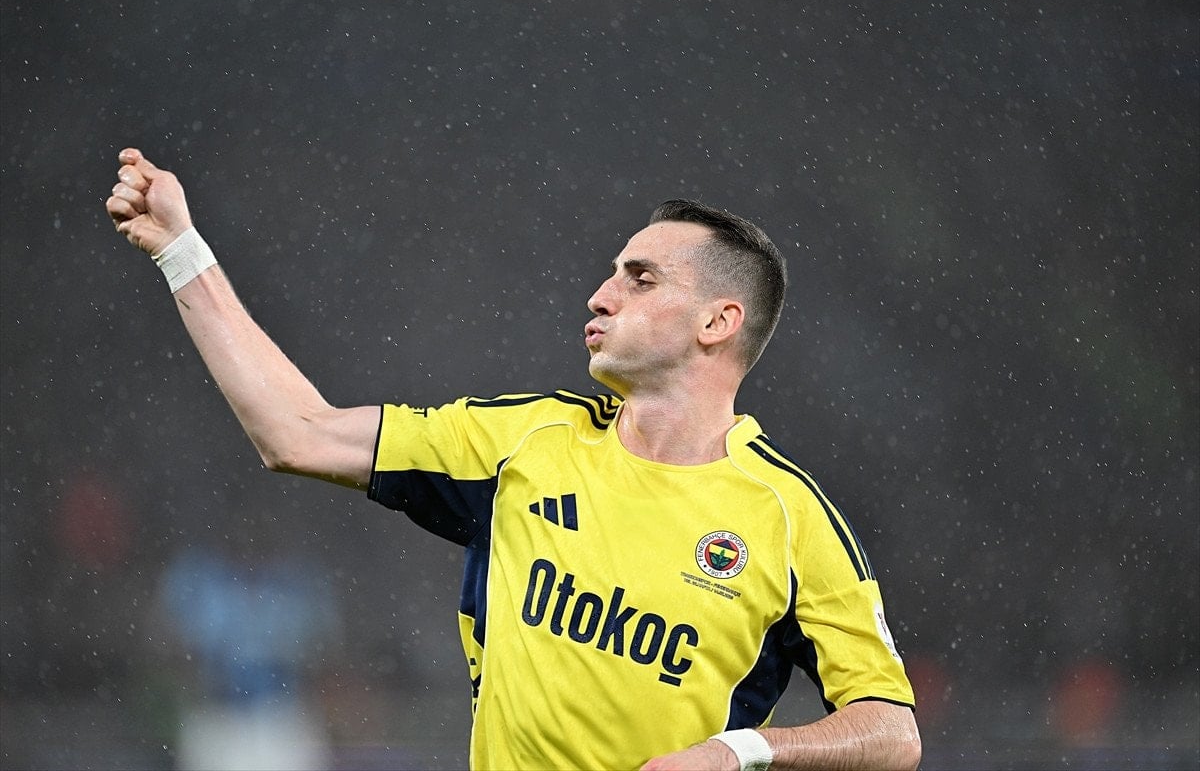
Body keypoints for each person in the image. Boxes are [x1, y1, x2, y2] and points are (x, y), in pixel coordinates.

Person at [106, 147, 921, 771]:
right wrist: (181, 250)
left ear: (718, 322)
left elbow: (891, 729)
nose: (601, 295)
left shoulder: (789, 517)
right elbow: (299, 433)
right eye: (611, 274)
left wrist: (737, 753)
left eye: (639, 279)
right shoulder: (525, 442)